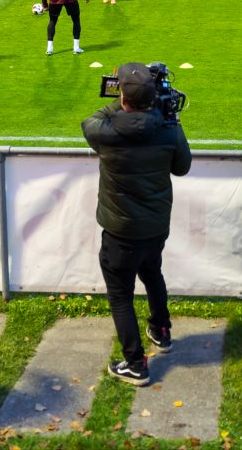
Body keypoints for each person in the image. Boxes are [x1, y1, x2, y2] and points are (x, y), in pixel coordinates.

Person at [82, 62, 192, 386]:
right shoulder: (168, 127)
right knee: (152, 273)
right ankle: (161, 330)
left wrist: (122, 102)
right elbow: (182, 167)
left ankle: (135, 363)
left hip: (119, 231)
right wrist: (167, 114)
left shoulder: (107, 130)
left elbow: (89, 121)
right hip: (156, 227)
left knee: (120, 296)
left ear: (122, 97)